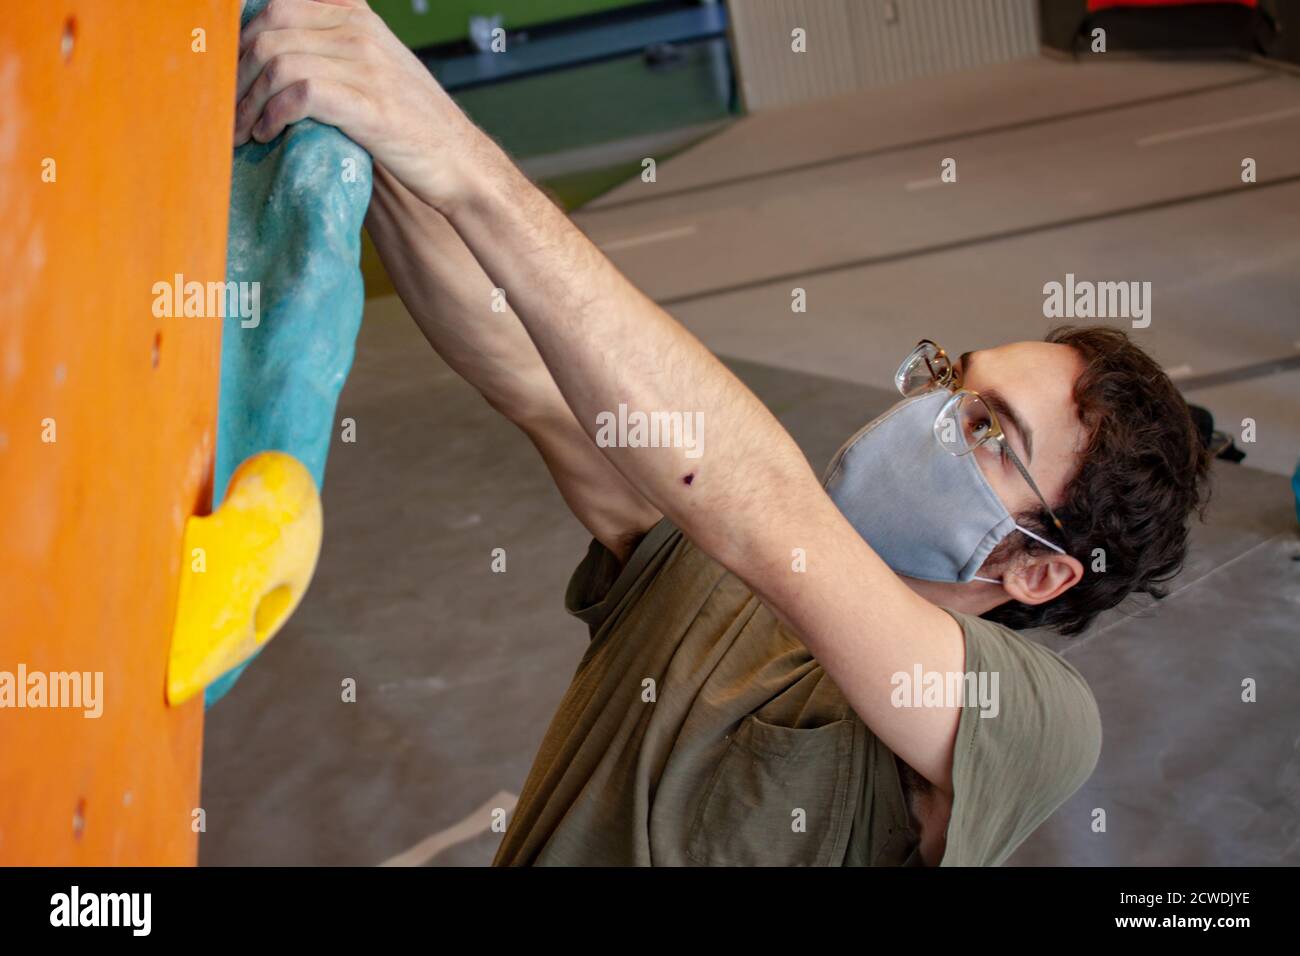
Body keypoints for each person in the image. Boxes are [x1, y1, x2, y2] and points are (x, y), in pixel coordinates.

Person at [234, 0, 1212, 865]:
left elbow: (766, 511)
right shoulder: (702, 560)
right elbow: (525, 370)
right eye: (956, 378)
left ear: (1041, 568)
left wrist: (454, 149)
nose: (936, 413)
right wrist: (374, 127)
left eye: (991, 430)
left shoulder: (1034, 719)